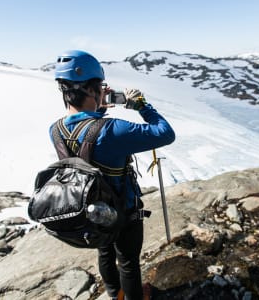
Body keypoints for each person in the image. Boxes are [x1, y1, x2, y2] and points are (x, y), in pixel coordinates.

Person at [52, 50, 175, 300]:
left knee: (105, 252)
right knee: (128, 262)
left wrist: (96, 110)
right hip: (123, 211)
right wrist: (141, 105)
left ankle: (114, 293)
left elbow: (87, 140)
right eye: (100, 86)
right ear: (92, 89)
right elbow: (165, 132)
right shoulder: (113, 129)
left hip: (91, 209)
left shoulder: (55, 129)